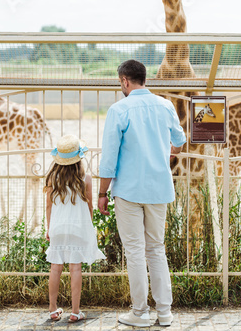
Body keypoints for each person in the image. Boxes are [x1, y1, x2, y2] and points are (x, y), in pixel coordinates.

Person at [98, 59, 186, 327]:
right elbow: (180, 142)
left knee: (135, 252)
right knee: (156, 249)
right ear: (143, 78)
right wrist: (169, 151)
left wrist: (102, 192)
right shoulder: (165, 105)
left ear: (125, 80)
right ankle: (165, 313)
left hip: (128, 191)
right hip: (159, 189)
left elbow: (109, 157)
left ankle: (140, 313)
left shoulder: (119, 110)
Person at [44, 134, 105, 322]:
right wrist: (90, 225)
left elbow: (48, 206)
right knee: (75, 268)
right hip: (78, 227)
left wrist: (48, 228)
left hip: (58, 227)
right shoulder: (85, 178)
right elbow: (89, 206)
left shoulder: (53, 178)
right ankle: (75, 311)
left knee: (55, 268)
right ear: (79, 158)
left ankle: (53, 309)